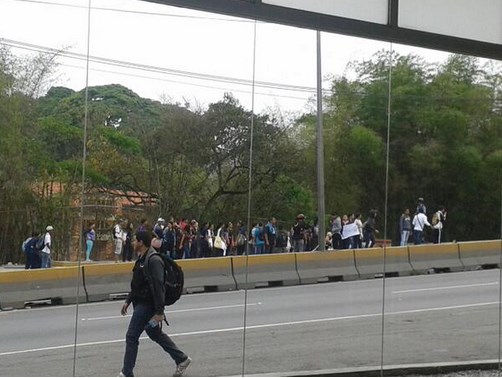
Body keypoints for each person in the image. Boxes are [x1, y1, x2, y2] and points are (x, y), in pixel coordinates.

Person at [119, 231, 192, 377]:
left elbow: (159, 287)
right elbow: (137, 285)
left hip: (148, 306)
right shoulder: (141, 260)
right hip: (141, 303)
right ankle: (181, 359)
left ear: (141, 242)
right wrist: (128, 300)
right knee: (154, 333)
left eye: (135, 240)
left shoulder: (153, 260)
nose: (133, 243)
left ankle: (127, 373)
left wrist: (159, 312)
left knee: (131, 336)